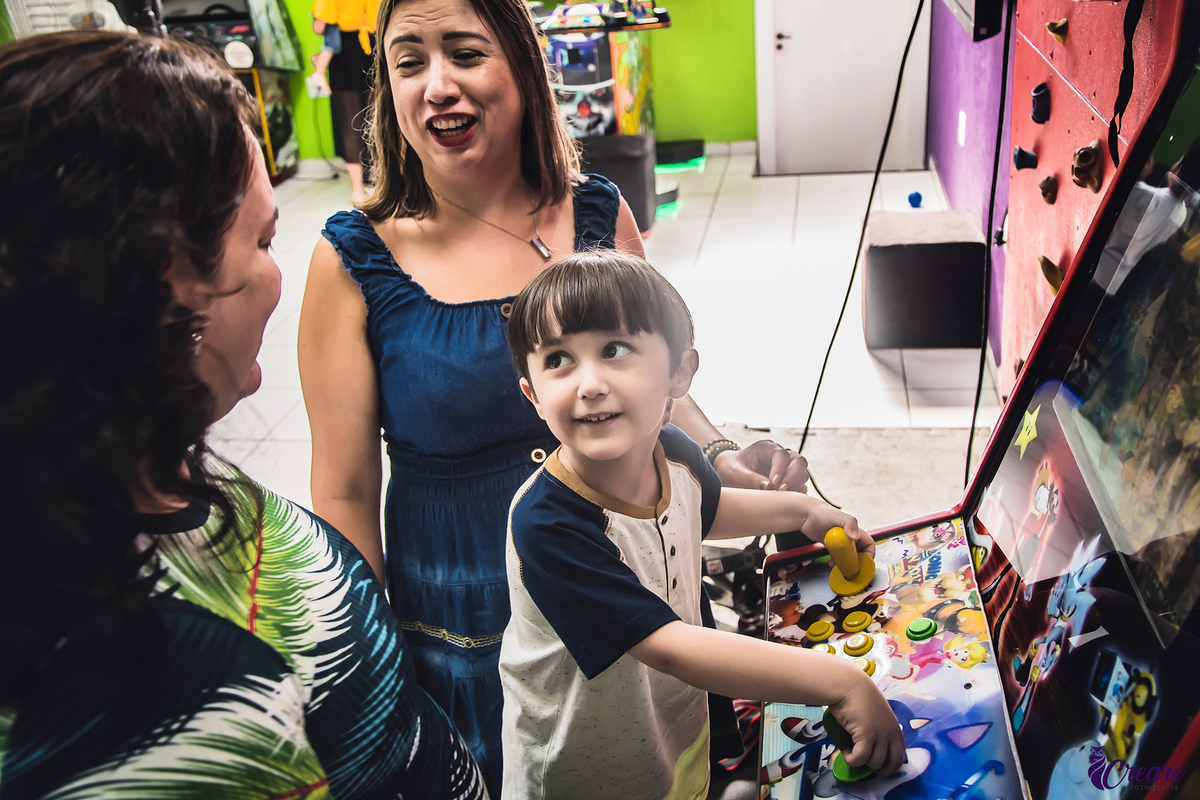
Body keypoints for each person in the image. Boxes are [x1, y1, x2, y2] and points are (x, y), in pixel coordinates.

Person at [298, 0, 810, 790]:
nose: (437, 86)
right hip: (465, 620)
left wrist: (720, 454)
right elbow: (344, 488)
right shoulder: (354, 259)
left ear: (522, 68)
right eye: (409, 62)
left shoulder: (597, 211)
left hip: (631, 575)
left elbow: (659, 386)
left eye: (465, 54)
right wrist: (369, 666)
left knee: (660, 758)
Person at [0, 31, 486, 799]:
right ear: (170, 283)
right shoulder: (181, 689)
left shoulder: (123, 471)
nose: (276, 273)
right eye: (261, 240)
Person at [499, 252, 904, 798]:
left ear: (679, 374)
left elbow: (706, 511)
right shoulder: (547, 523)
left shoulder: (674, 452)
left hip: (670, 729)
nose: (588, 384)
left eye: (614, 350)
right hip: (585, 771)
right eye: (558, 361)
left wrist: (802, 512)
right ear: (532, 395)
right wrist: (842, 684)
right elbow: (666, 645)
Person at [310, 0, 378, 198]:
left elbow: (319, 26)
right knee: (374, 124)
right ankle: (372, 185)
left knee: (355, 126)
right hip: (365, 50)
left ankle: (361, 189)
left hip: (351, 53)